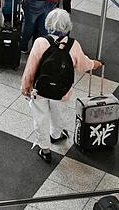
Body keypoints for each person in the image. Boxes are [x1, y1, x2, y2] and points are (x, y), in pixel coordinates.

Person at [20, 9, 101, 163]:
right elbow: (83, 65)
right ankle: (56, 135)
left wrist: (25, 87)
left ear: (48, 24)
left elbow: (30, 69)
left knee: (40, 118)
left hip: (41, 90)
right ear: (68, 26)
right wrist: (95, 64)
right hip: (63, 91)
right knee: (59, 113)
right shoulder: (73, 45)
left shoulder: (40, 42)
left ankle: (45, 149)